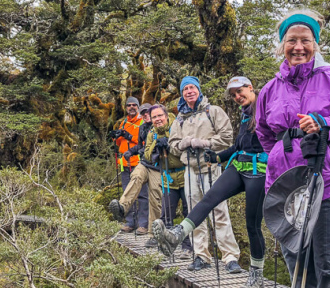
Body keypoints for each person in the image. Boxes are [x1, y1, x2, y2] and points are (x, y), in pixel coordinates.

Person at [256, 9, 330, 287]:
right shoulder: (270, 90)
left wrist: (325, 125)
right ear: (282, 45)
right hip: (289, 192)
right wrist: (284, 157)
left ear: (315, 44)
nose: (298, 47)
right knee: (300, 274)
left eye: (305, 40)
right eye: (291, 40)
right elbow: (265, 133)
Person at [153, 76, 267, 286]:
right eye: (184, 88)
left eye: (240, 92)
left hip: (251, 170)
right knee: (203, 205)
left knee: (231, 217)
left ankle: (236, 261)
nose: (237, 97)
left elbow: (227, 138)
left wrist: (204, 145)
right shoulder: (180, 118)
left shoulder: (216, 111)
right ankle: (184, 241)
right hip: (208, 167)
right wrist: (195, 148)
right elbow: (238, 145)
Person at [143, 104, 193, 259]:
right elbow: (146, 156)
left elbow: (185, 148)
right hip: (168, 178)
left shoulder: (178, 126)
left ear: (166, 115)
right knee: (166, 214)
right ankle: (165, 246)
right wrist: (156, 146)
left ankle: (188, 248)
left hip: (184, 175)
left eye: (160, 116)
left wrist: (169, 146)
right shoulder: (152, 133)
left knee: (188, 212)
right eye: (154, 117)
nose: (157, 119)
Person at [110, 96, 148, 234]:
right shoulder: (124, 122)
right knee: (127, 194)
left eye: (134, 105)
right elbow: (120, 143)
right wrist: (117, 135)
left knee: (142, 195)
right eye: (129, 105)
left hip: (138, 163)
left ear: (138, 107)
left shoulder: (143, 122)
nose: (131, 107)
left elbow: (143, 142)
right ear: (126, 108)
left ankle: (143, 224)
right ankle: (130, 222)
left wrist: (128, 136)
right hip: (124, 164)